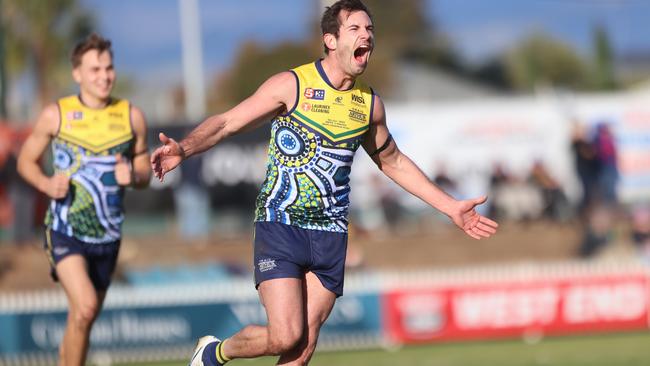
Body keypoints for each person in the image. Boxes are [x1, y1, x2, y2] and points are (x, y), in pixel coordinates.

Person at [151, 1, 498, 364]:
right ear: (330, 40)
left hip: (331, 234)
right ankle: (214, 352)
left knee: (302, 349)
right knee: (285, 334)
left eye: (370, 29)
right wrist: (184, 149)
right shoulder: (293, 85)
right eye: (355, 29)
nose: (366, 36)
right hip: (281, 223)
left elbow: (392, 161)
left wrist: (450, 207)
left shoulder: (369, 105)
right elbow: (226, 123)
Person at [17, 33, 150, 366]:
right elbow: (25, 162)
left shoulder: (131, 116)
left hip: (108, 236)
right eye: (95, 70)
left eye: (108, 68)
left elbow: (146, 171)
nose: (104, 76)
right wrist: (46, 184)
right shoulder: (56, 115)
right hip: (65, 230)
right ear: (77, 74)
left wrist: (133, 176)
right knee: (86, 305)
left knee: (84, 317)